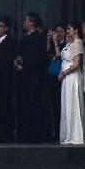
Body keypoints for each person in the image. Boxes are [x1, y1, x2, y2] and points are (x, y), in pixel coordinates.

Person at [14, 12, 50, 142]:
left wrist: (24, 66)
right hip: (25, 78)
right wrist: (18, 59)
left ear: (31, 22)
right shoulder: (26, 38)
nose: (24, 22)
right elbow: (21, 54)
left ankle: (33, 134)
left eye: (26, 20)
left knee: (33, 105)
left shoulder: (38, 38)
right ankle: (25, 134)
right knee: (25, 106)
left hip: (33, 79)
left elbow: (38, 58)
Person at [58, 21, 85, 145]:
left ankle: (75, 136)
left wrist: (64, 73)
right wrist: (54, 41)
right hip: (66, 79)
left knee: (73, 104)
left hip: (72, 77)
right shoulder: (70, 43)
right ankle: (68, 135)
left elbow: (76, 64)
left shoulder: (78, 43)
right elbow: (61, 56)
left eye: (69, 29)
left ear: (75, 30)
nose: (67, 31)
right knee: (66, 105)